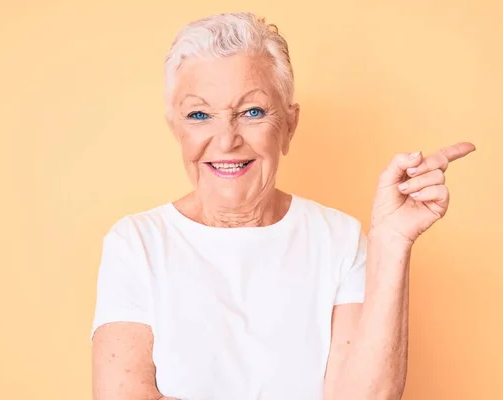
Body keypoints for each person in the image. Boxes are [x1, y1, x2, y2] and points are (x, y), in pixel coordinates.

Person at [90, 11, 475, 400]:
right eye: (199, 115)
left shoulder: (338, 238)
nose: (226, 141)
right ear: (177, 129)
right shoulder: (136, 242)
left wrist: (391, 242)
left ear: (289, 126)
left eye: (252, 112)